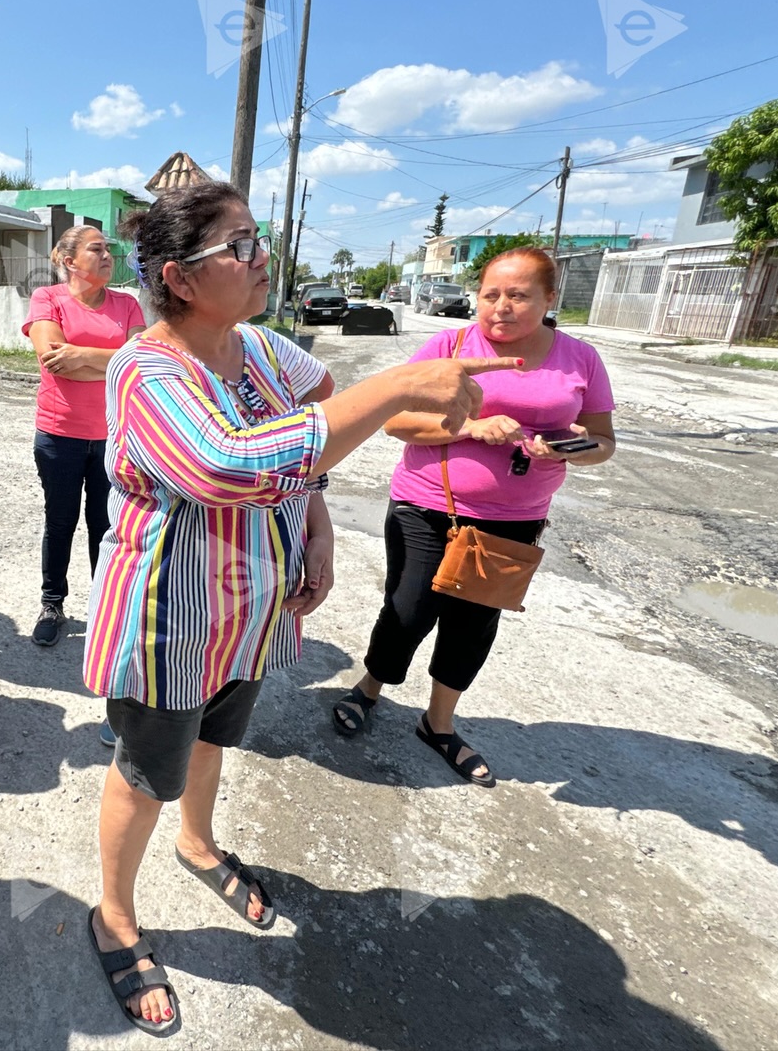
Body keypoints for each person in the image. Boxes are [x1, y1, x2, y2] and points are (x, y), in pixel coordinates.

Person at [83, 182, 519, 1035]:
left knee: (217, 738)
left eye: (257, 239)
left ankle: (199, 844)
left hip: (251, 608)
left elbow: (322, 423)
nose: (261, 259)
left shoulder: (262, 349)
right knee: (146, 771)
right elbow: (226, 464)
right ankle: (113, 914)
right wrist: (394, 386)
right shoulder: (147, 368)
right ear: (177, 277)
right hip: (169, 616)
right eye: (238, 248)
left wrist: (316, 522)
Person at [331, 246, 616, 785]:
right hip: (427, 504)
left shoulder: (580, 359)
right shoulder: (450, 345)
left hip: (515, 518)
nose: (501, 307)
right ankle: (370, 687)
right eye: (490, 295)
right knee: (409, 608)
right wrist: (471, 427)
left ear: (550, 298)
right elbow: (395, 421)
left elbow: (603, 442)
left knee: (473, 623)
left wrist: (571, 448)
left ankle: (438, 724)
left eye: (518, 295)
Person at [23, 225, 145, 648]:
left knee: (106, 526)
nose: (108, 255)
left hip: (115, 436)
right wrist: (110, 362)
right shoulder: (47, 299)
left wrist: (82, 356)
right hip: (59, 434)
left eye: (109, 249)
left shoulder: (127, 304)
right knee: (59, 523)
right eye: (97, 249)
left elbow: (139, 364)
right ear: (69, 260)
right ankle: (52, 604)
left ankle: (105, 609)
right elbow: (52, 358)